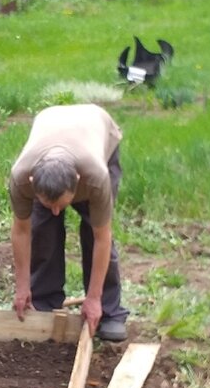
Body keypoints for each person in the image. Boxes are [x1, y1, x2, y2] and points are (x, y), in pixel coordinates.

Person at [8, 104, 130, 341]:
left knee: (90, 230)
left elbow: (101, 238)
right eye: (49, 204)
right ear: (33, 182)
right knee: (42, 230)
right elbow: (22, 232)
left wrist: (93, 298)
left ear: (77, 180)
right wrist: (22, 288)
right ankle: (43, 302)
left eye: (61, 205)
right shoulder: (22, 176)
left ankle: (108, 311)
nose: (56, 212)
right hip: (52, 124)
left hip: (98, 131)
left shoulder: (95, 176)